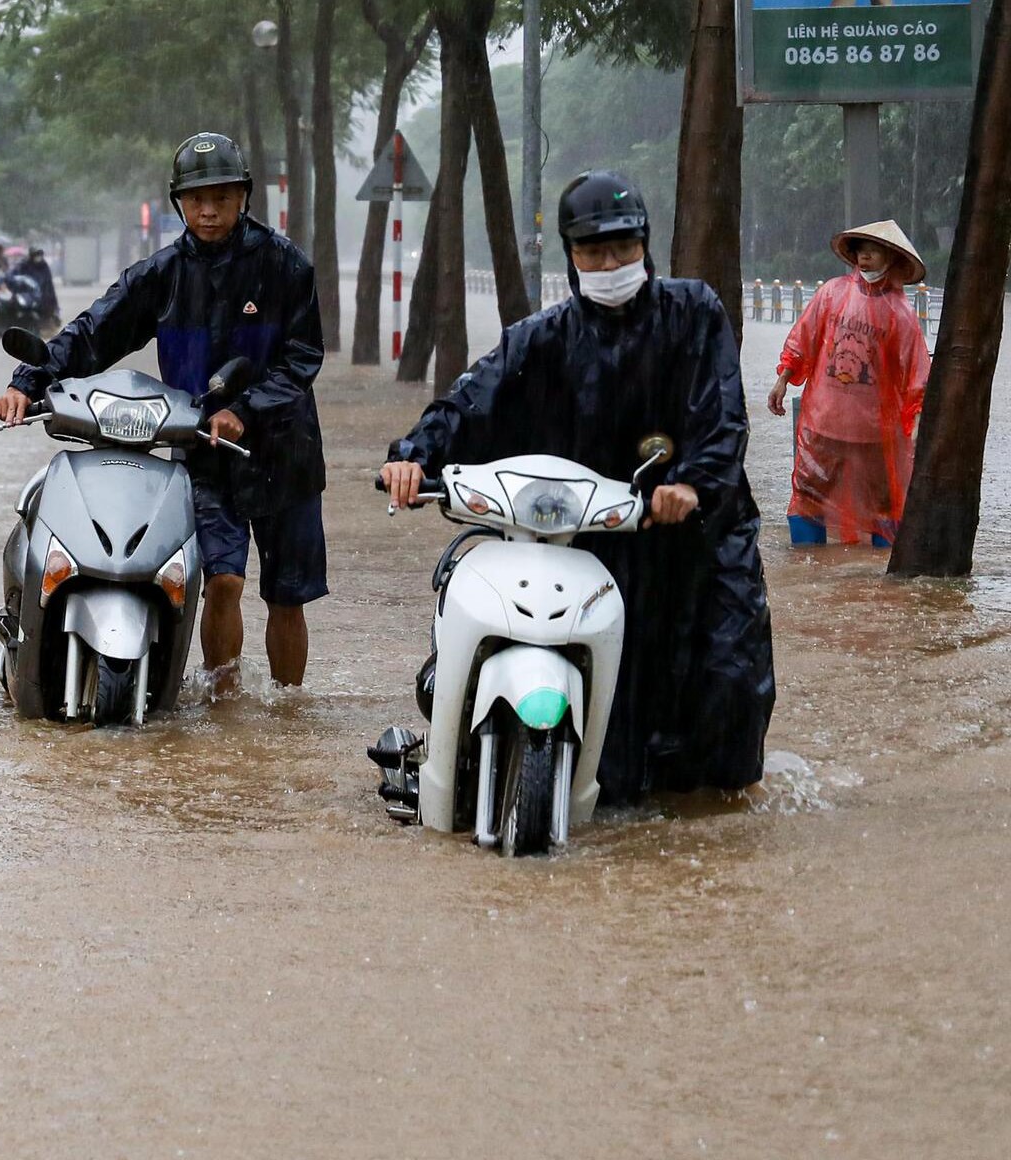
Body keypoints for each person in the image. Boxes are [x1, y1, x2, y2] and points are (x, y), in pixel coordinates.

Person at [379, 169, 775, 804]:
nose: (611, 263)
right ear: (570, 256)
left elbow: (723, 415)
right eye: (594, 251)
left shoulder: (695, 313)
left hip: (701, 536)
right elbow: (469, 402)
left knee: (727, 689)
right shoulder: (542, 338)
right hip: (598, 539)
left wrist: (692, 485)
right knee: (613, 736)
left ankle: (721, 822)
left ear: (646, 245)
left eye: (624, 248)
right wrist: (412, 458)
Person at [0, 132, 326, 692]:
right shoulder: (163, 274)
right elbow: (95, 330)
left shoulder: (285, 265)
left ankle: (286, 714)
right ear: (178, 202)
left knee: (286, 598)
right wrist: (30, 380)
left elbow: (303, 356)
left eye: (221, 196)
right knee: (222, 581)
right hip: (202, 452)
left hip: (283, 450)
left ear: (243, 196)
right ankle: (224, 703)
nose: (208, 210)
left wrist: (246, 409)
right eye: (196, 198)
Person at [767, 220, 930, 547]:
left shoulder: (900, 313)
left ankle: (883, 574)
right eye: (860, 250)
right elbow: (804, 338)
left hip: (874, 431)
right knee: (808, 492)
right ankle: (807, 566)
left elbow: (916, 371)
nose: (865, 258)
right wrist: (783, 379)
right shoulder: (832, 292)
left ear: (892, 259)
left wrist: (916, 418)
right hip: (824, 420)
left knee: (884, 502)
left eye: (873, 251)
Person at [15, 246, 60, 334]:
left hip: (44, 294)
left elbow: (48, 282)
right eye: (36, 255)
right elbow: (19, 279)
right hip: (28, 295)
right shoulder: (25, 266)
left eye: (39, 255)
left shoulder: (44, 266)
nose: (38, 257)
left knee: (48, 308)